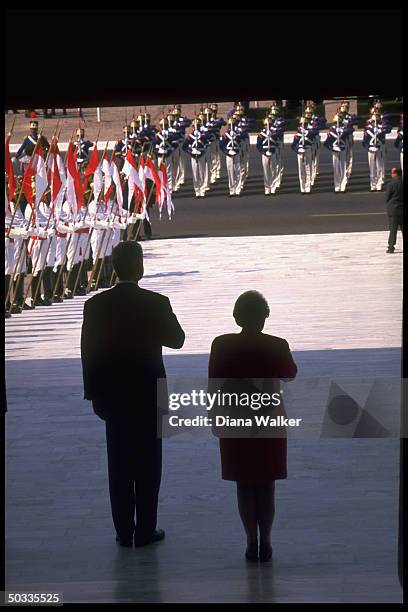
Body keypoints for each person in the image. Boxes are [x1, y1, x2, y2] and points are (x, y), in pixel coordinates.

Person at [80, 241, 185, 547]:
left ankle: (124, 531)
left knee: (119, 466)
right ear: (140, 268)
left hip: (113, 396)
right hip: (149, 393)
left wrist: (94, 395)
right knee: (149, 465)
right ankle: (146, 529)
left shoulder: (95, 305)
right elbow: (177, 340)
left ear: (114, 269)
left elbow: (89, 353)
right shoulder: (157, 302)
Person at [208, 291, 297, 562]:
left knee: (244, 484)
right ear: (265, 317)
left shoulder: (221, 345)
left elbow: (214, 382)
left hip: (234, 418)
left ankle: (250, 541)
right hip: (269, 419)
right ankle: (266, 540)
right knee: (266, 484)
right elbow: (290, 373)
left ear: (236, 316)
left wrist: (213, 415)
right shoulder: (277, 344)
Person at [385, 167, 403, 254]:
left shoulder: (391, 185)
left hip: (393, 210)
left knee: (393, 229)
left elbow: (387, 197)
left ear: (395, 174)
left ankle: (391, 247)